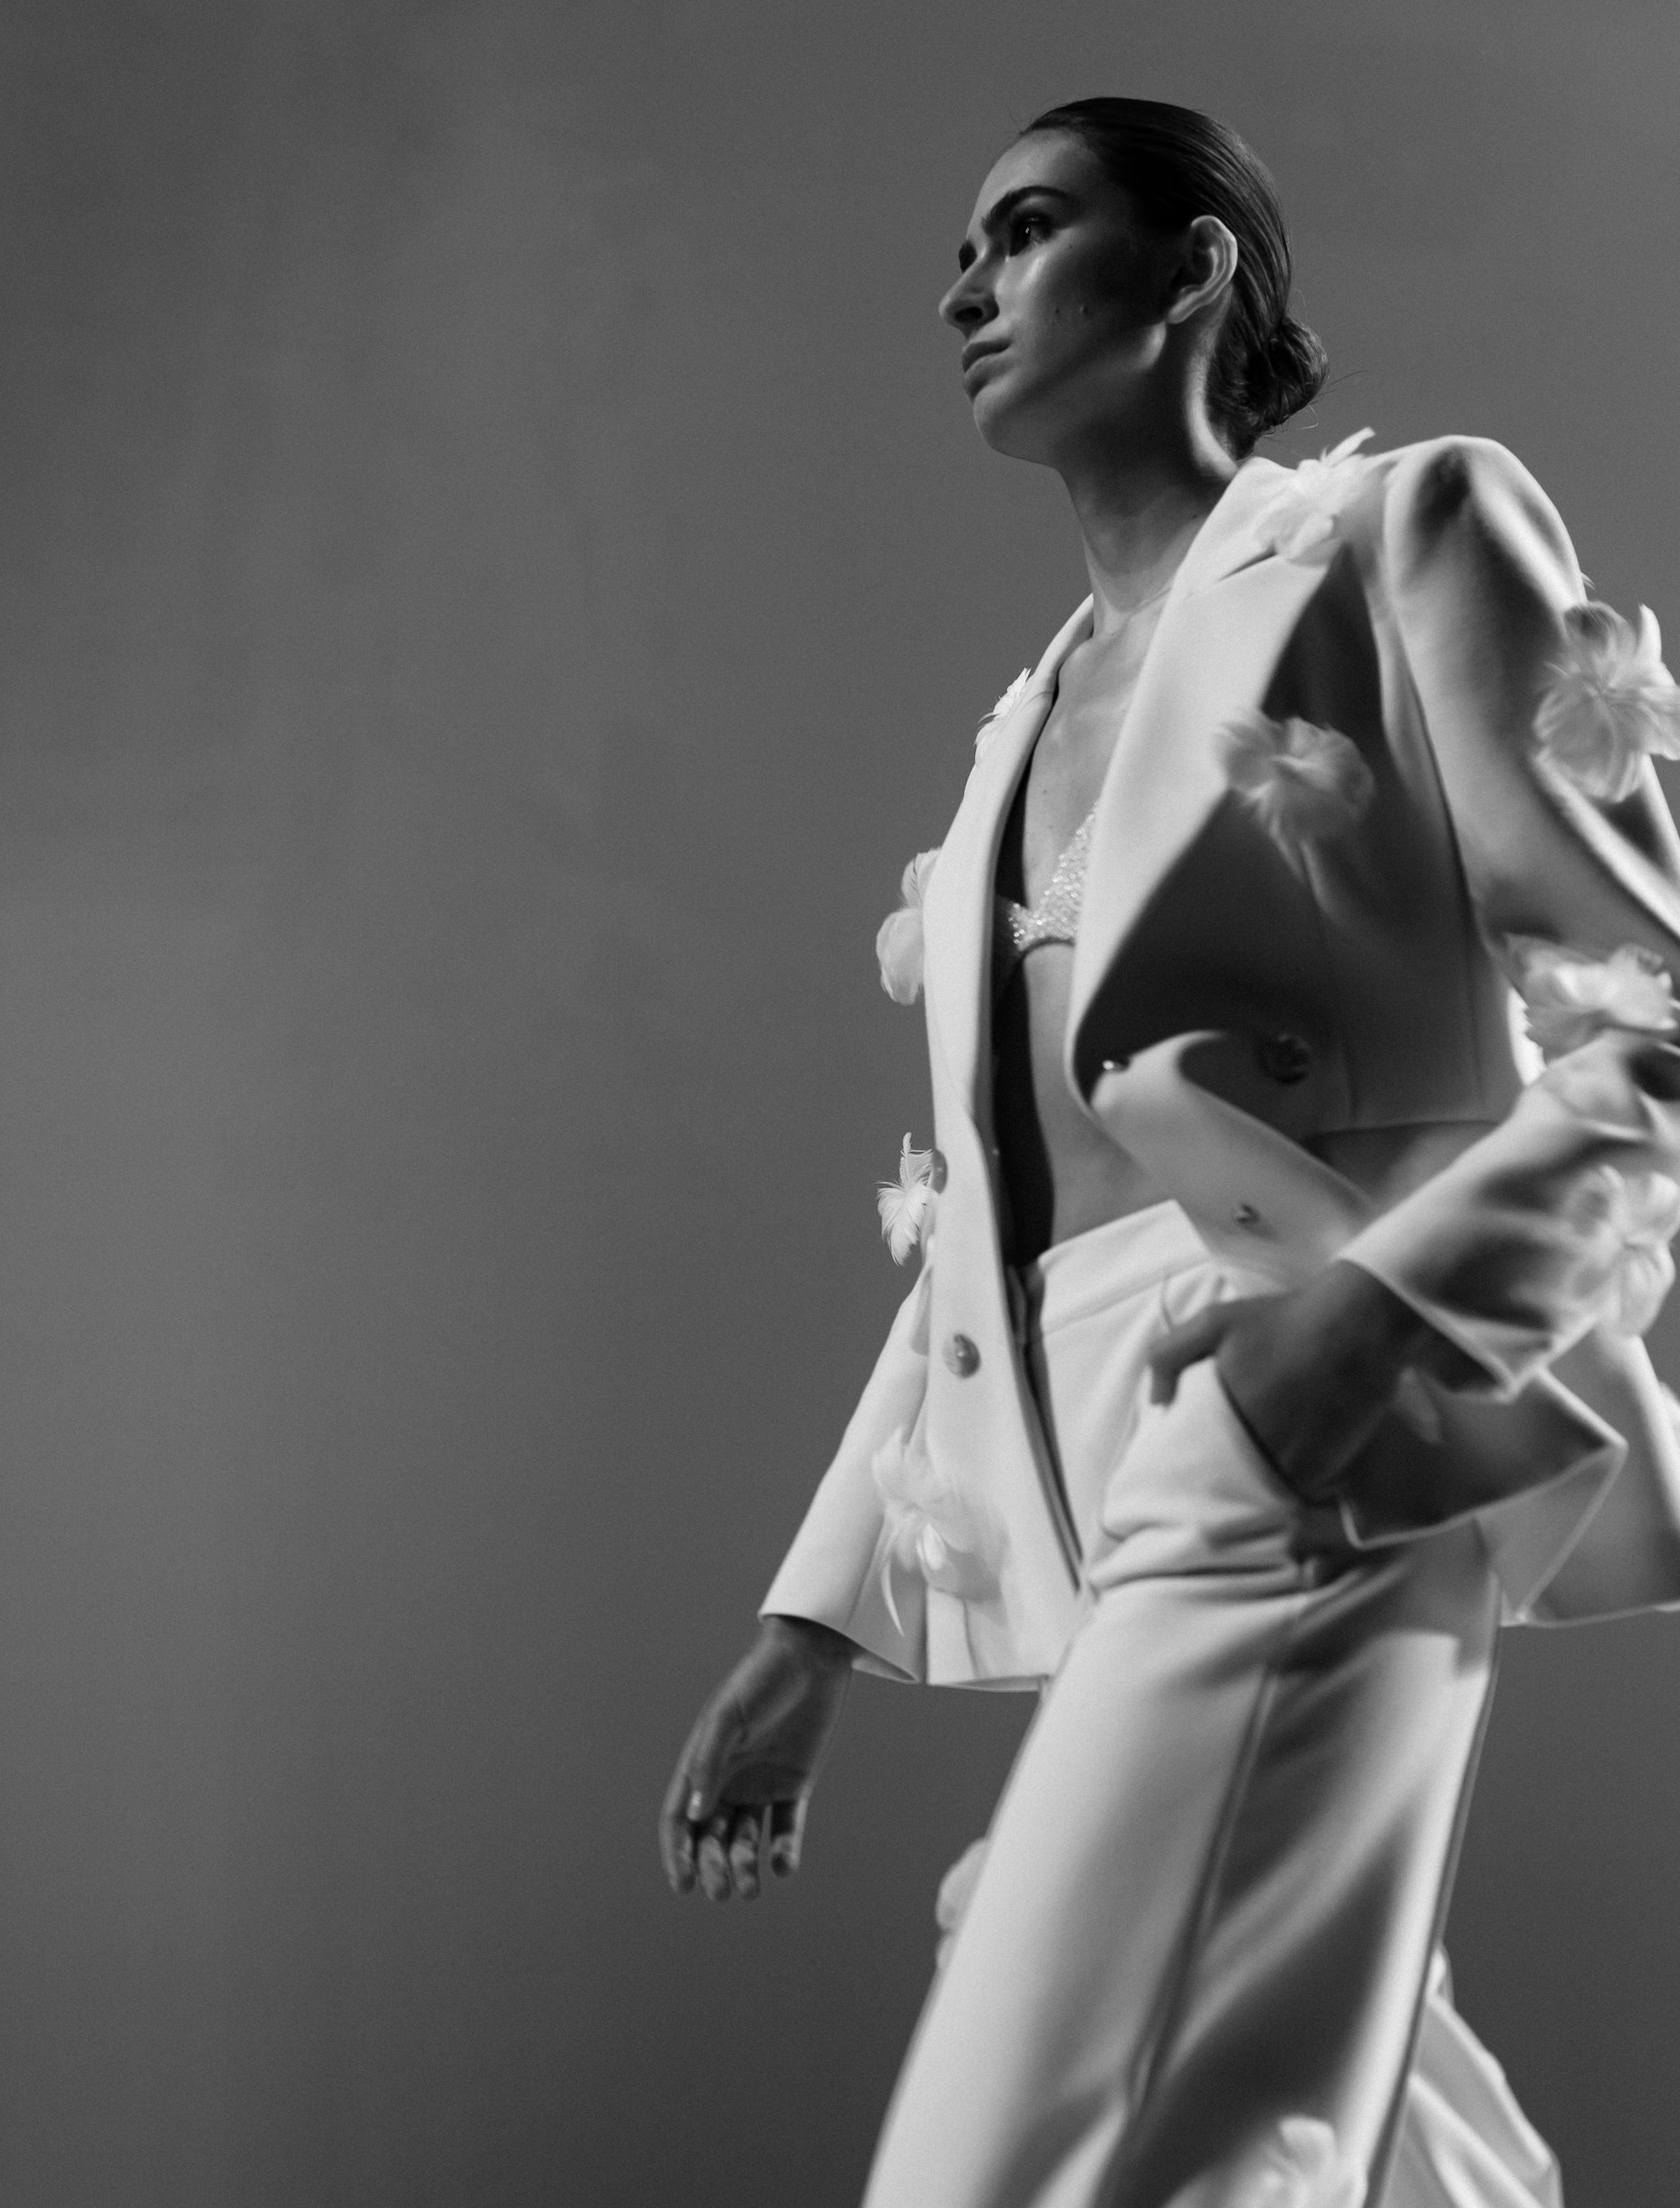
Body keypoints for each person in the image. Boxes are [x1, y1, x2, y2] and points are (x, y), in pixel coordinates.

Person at [659, 96, 1680, 2208]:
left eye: (1027, 229)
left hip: (1315, 1432)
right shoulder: (1022, 728)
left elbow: (1656, 1005)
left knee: (1051, 2133)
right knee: (1325, 2114)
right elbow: (1000, 1222)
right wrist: (813, 1628)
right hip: (1086, 1474)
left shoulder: (1402, 537)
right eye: (965, 251)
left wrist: (1368, 1327)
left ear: (1198, 267)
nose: (968, 287)